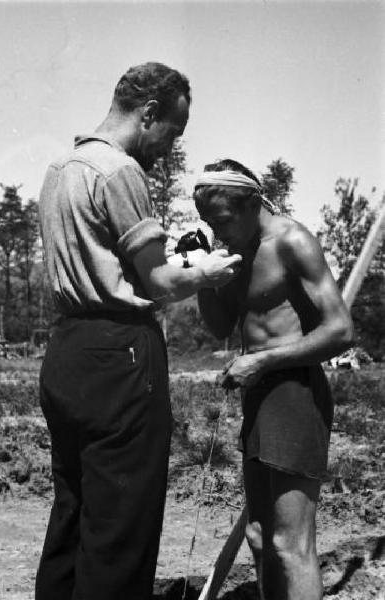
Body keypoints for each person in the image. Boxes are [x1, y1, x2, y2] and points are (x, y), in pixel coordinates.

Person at [36, 63, 242, 600]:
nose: (170, 145)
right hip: (121, 353)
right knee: (121, 522)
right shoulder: (120, 170)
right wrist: (207, 273)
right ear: (149, 113)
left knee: (74, 508)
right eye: (172, 131)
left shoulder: (60, 168)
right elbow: (157, 283)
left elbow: (107, 264)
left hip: (66, 353)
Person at [193, 158, 354, 600]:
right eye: (209, 223)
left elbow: (342, 329)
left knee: (291, 543)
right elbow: (221, 324)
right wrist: (204, 276)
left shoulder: (292, 241)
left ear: (252, 203)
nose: (217, 231)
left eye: (222, 221)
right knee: (261, 536)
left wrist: (263, 362)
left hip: (295, 393)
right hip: (259, 394)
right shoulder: (236, 248)